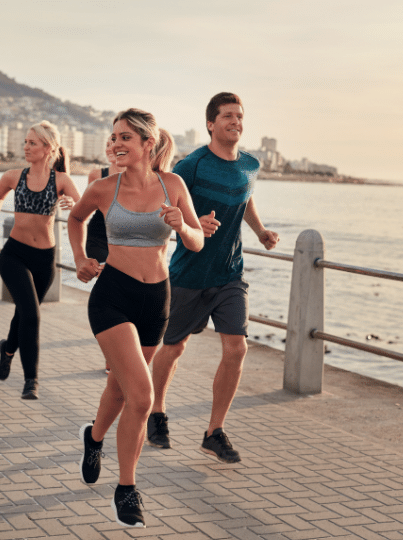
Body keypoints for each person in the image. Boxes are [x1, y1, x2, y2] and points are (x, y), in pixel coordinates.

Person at [67, 108, 204, 528]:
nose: (117, 143)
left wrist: (183, 226)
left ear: (149, 143)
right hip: (112, 297)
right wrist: (80, 258)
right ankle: (126, 490)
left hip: (156, 300)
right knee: (142, 397)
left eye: (126, 136)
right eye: (114, 137)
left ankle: (93, 439)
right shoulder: (104, 187)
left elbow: (196, 242)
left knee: (121, 389)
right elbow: (75, 218)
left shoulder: (174, 185)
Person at [146, 92, 280, 464]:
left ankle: (214, 431)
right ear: (211, 123)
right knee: (173, 349)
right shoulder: (192, 165)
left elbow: (245, 196)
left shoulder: (250, 164)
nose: (235, 122)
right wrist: (192, 223)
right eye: (227, 116)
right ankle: (156, 412)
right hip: (190, 274)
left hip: (229, 275)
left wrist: (260, 231)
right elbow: (163, 209)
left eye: (240, 116)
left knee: (237, 348)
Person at [0, 121, 80, 399]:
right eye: (26, 142)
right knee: (31, 314)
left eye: (32, 143)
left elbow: (83, 209)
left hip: (44, 260)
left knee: (24, 314)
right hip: (14, 254)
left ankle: (7, 349)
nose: (26, 147)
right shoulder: (14, 176)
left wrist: (72, 205)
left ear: (48, 148)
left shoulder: (61, 180)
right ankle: (31, 381)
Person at [85, 137, 126, 374]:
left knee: (123, 296)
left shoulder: (137, 175)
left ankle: (119, 351)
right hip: (99, 239)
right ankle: (111, 357)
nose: (111, 149)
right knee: (111, 293)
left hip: (123, 241)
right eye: (108, 145)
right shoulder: (96, 175)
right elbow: (85, 207)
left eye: (116, 144)